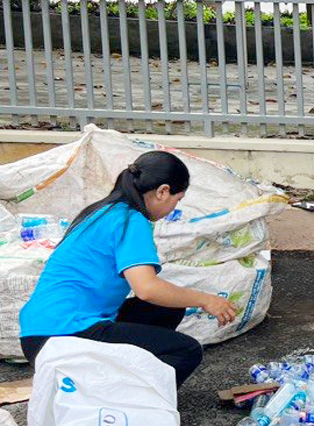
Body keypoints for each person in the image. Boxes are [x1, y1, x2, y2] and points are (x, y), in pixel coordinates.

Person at [18, 151, 237, 387]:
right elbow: (147, 288)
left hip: (41, 331)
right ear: (163, 191)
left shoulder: (104, 211)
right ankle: (128, 405)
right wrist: (206, 300)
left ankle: (116, 377)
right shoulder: (131, 221)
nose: (174, 207)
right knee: (186, 351)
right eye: (177, 199)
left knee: (166, 310)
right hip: (64, 334)